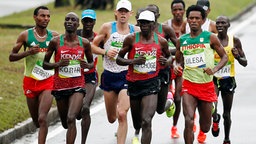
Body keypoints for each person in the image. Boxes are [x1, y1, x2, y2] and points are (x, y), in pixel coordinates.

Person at [174, 5, 228, 144]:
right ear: (187, 20)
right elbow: (178, 61)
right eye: (191, 18)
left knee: (205, 127)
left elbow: (224, 57)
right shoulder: (182, 40)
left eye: (197, 18)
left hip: (206, 85)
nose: (193, 21)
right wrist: (176, 67)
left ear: (203, 20)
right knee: (188, 120)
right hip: (189, 85)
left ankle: (212, 111)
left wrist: (214, 69)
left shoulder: (210, 37)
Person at [116, 10, 171, 144]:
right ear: (138, 23)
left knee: (147, 120)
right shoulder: (131, 39)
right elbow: (118, 59)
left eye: (147, 23)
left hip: (152, 83)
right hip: (134, 84)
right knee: (138, 123)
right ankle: (138, 127)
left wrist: (167, 61)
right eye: (142, 22)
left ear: (153, 24)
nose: (144, 25)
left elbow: (169, 56)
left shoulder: (161, 41)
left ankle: (167, 102)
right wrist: (133, 61)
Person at [91, 0, 140, 143]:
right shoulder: (107, 28)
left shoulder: (135, 31)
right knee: (112, 118)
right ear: (116, 12)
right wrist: (105, 52)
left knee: (122, 114)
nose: (123, 14)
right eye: (121, 11)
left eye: (126, 11)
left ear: (131, 14)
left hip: (127, 75)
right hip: (109, 76)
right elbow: (93, 46)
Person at [9, 6, 58, 144]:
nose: (46, 19)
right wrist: (28, 52)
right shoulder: (25, 35)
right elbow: (11, 57)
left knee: (43, 118)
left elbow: (60, 55)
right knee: (36, 121)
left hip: (48, 80)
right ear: (35, 17)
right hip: (30, 80)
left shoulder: (54, 36)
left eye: (48, 16)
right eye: (42, 16)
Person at [43, 12, 94, 144]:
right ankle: (75, 112)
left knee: (71, 119)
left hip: (78, 85)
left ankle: (75, 112)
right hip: (60, 86)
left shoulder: (84, 43)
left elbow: (91, 63)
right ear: (64, 23)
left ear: (78, 24)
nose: (69, 22)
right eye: (67, 19)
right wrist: (57, 64)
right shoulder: (56, 42)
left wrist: (86, 65)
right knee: (66, 123)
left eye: (73, 20)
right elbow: (45, 64)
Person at [211, 15, 247, 144]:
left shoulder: (235, 40)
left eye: (223, 23)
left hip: (228, 79)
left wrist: (237, 57)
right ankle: (215, 119)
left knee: (227, 113)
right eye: (218, 23)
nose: (220, 25)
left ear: (228, 25)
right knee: (212, 108)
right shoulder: (211, 39)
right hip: (213, 78)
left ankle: (226, 139)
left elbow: (245, 62)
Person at [163, 0, 186, 139]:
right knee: (169, 95)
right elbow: (162, 48)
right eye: (175, 9)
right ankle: (168, 98)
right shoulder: (166, 26)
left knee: (179, 97)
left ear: (184, 10)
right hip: (169, 64)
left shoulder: (190, 25)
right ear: (172, 11)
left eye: (180, 9)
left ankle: (174, 127)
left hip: (184, 65)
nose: (178, 12)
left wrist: (180, 62)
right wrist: (175, 54)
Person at [76, 9, 99, 144]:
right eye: (85, 21)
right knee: (75, 113)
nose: (88, 23)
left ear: (94, 21)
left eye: (91, 20)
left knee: (85, 108)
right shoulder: (75, 35)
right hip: (73, 76)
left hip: (90, 77)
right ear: (82, 21)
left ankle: (83, 142)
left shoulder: (98, 38)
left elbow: (106, 52)